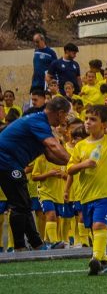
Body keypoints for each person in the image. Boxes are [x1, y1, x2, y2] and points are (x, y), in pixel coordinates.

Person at [64, 105, 107, 275]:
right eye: (86, 118)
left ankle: (94, 259)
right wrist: (83, 164)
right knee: (94, 229)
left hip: (106, 193)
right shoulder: (80, 146)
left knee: (99, 224)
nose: (87, 122)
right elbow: (70, 169)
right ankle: (103, 261)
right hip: (85, 195)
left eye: (93, 119)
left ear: (104, 124)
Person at [0, 97, 71, 250]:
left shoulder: (41, 124)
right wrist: (74, 161)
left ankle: (37, 244)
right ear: (60, 113)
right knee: (19, 204)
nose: (65, 119)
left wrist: (70, 164)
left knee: (24, 203)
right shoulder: (38, 121)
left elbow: (50, 155)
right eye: (66, 116)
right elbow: (53, 145)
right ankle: (19, 247)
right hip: (5, 161)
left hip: (10, 163)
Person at [32, 151, 67, 248]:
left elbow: (70, 176)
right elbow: (34, 177)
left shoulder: (63, 160)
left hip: (59, 194)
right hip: (45, 193)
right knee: (51, 215)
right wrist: (49, 174)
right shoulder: (40, 159)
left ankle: (48, 241)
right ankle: (53, 242)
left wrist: (64, 175)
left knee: (56, 218)